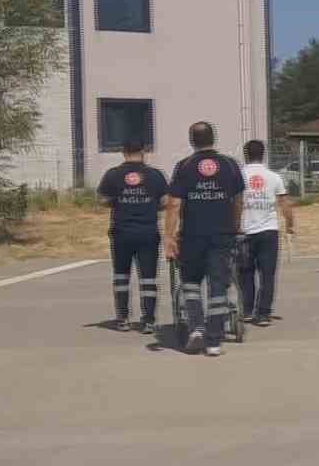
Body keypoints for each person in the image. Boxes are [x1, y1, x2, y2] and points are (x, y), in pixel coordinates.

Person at [164, 121, 245, 356]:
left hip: (192, 235)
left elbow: (174, 204)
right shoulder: (230, 165)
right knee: (218, 286)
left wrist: (169, 237)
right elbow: (239, 200)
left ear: (192, 141)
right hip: (222, 235)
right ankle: (214, 342)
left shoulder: (184, 166)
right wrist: (235, 226)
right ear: (214, 138)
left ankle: (197, 328)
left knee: (190, 283)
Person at [96, 138, 168, 333]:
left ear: (123, 151)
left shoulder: (113, 175)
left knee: (121, 276)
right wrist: (149, 203)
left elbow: (102, 199)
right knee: (148, 278)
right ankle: (149, 320)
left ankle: (123, 318)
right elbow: (165, 201)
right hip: (148, 232)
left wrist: (118, 201)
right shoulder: (155, 175)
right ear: (143, 150)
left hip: (121, 232)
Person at [236, 139, 294, 326]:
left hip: (245, 231)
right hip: (269, 232)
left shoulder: (238, 176)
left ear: (246, 155)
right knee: (267, 274)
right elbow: (284, 204)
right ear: (263, 154)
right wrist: (290, 224)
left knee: (245, 272)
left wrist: (233, 226)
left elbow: (234, 202)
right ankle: (263, 314)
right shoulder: (274, 177)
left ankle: (246, 310)